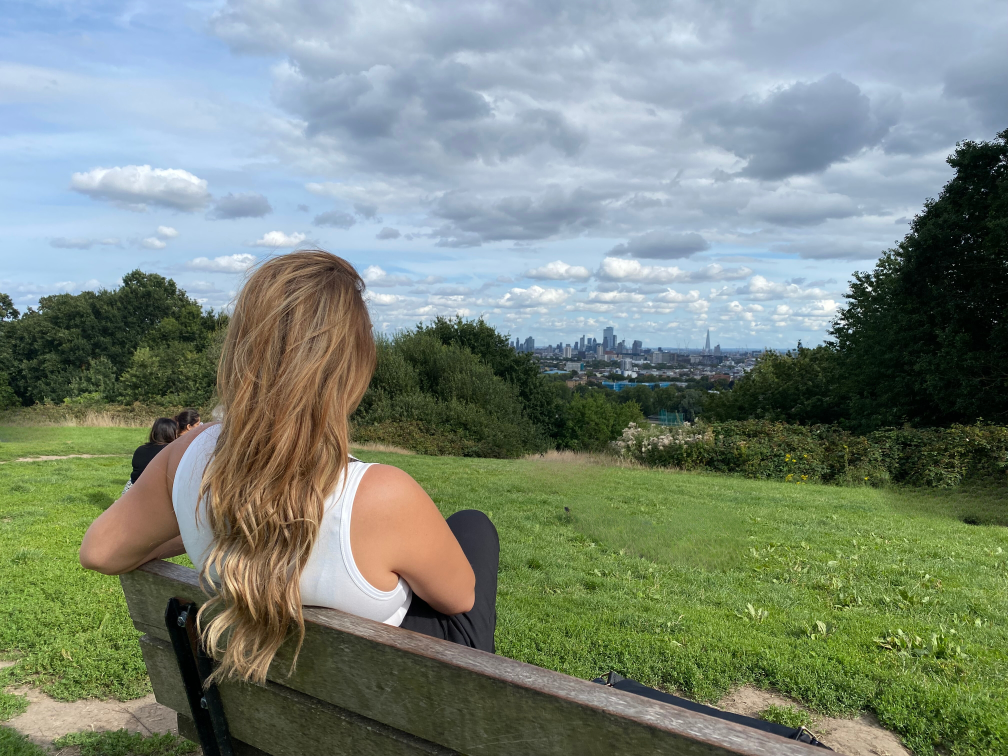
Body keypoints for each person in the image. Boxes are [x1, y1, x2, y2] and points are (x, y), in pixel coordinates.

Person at [80, 250, 498, 686]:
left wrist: (211, 529)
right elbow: (459, 598)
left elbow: (100, 551)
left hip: (259, 719)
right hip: (379, 706)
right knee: (474, 526)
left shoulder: (186, 457)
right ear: (352, 363)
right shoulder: (382, 495)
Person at [121, 417, 178, 495]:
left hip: (134, 491)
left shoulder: (140, 449)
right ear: (172, 433)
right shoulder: (171, 451)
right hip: (157, 494)